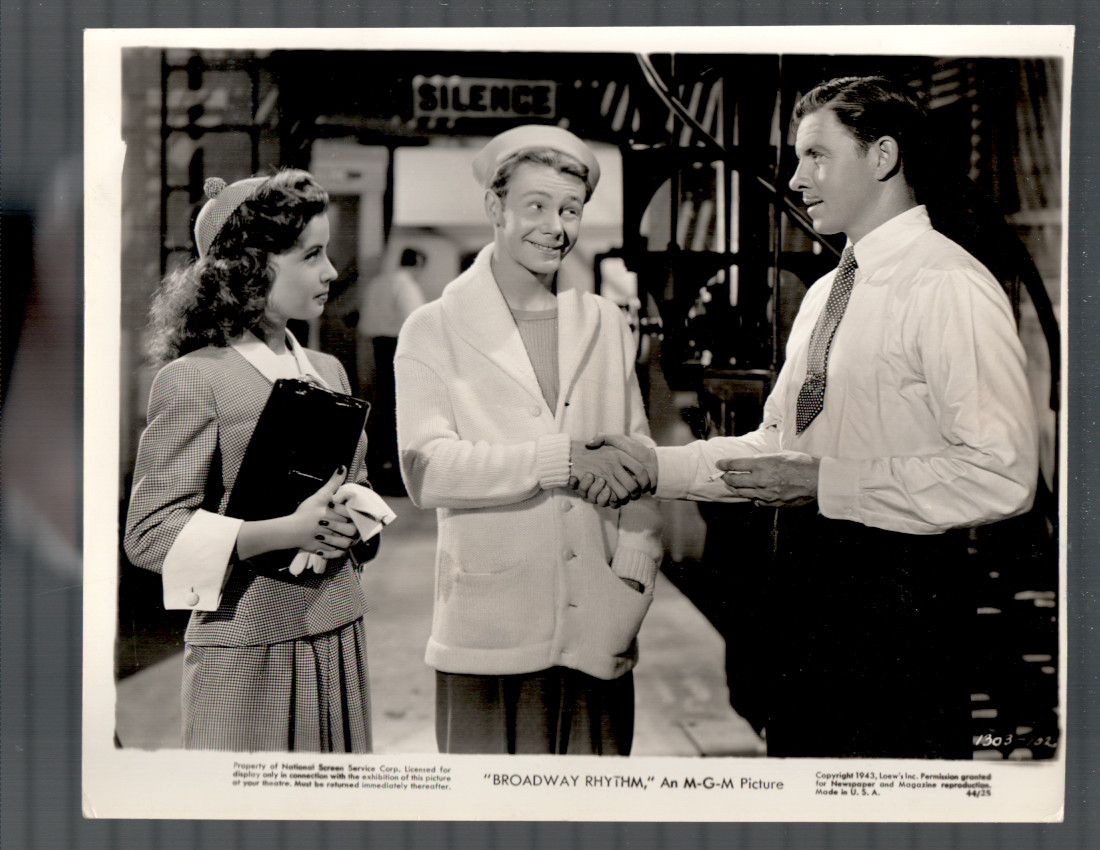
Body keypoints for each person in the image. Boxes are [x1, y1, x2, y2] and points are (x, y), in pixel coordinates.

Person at [582, 76, 1039, 759]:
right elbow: (777, 446)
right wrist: (654, 466)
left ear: (883, 156)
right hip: (808, 601)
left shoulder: (949, 285)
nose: (796, 180)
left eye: (816, 156)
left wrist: (825, 482)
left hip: (899, 611)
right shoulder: (829, 290)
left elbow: (1002, 475)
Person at [394, 125, 662, 755]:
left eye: (570, 210)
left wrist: (633, 573)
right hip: (487, 634)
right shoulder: (433, 328)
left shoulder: (605, 322)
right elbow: (428, 471)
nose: (555, 227)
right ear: (496, 207)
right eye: (535, 205)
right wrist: (558, 459)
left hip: (598, 627)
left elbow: (641, 463)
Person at [124, 169, 381, 752]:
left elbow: (357, 484)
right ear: (250, 268)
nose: (331, 272)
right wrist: (285, 532)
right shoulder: (194, 379)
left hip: (338, 630)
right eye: (311, 255)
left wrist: (355, 521)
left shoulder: (329, 371)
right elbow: (149, 534)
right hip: (246, 645)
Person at [358, 247, 427, 494]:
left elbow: (365, 322)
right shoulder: (406, 285)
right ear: (418, 264)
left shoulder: (378, 282)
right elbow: (415, 323)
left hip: (376, 347)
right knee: (401, 409)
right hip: (398, 348)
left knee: (382, 407)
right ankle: (398, 475)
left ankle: (379, 470)